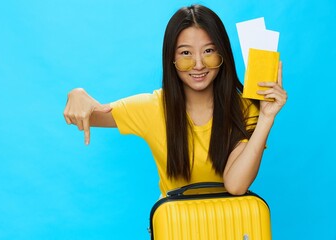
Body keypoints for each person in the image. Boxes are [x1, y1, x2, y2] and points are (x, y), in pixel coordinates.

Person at [63, 4, 287, 197]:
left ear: (223, 54)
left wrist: (266, 117)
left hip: (230, 229)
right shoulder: (153, 107)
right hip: (175, 229)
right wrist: (76, 93)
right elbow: (83, 116)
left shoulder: (245, 109)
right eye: (186, 53)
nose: (198, 64)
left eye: (208, 50)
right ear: (171, 58)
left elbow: (236, 185)